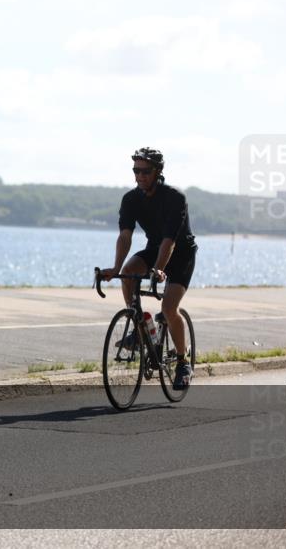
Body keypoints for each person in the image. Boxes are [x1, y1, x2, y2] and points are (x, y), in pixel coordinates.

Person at [101, 147, 198, 390]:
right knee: (129, 273)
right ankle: (141, 327)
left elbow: (170, 241)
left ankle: (183, 363)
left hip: (181, 252)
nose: (140, 175)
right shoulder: (131, 199)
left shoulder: (175, 198)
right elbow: (125, 236)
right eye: (136, 170)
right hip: (155, 247)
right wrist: (115, 267)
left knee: (168, 307)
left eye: (145, 171)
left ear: (157, 172)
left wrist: (158, 270)